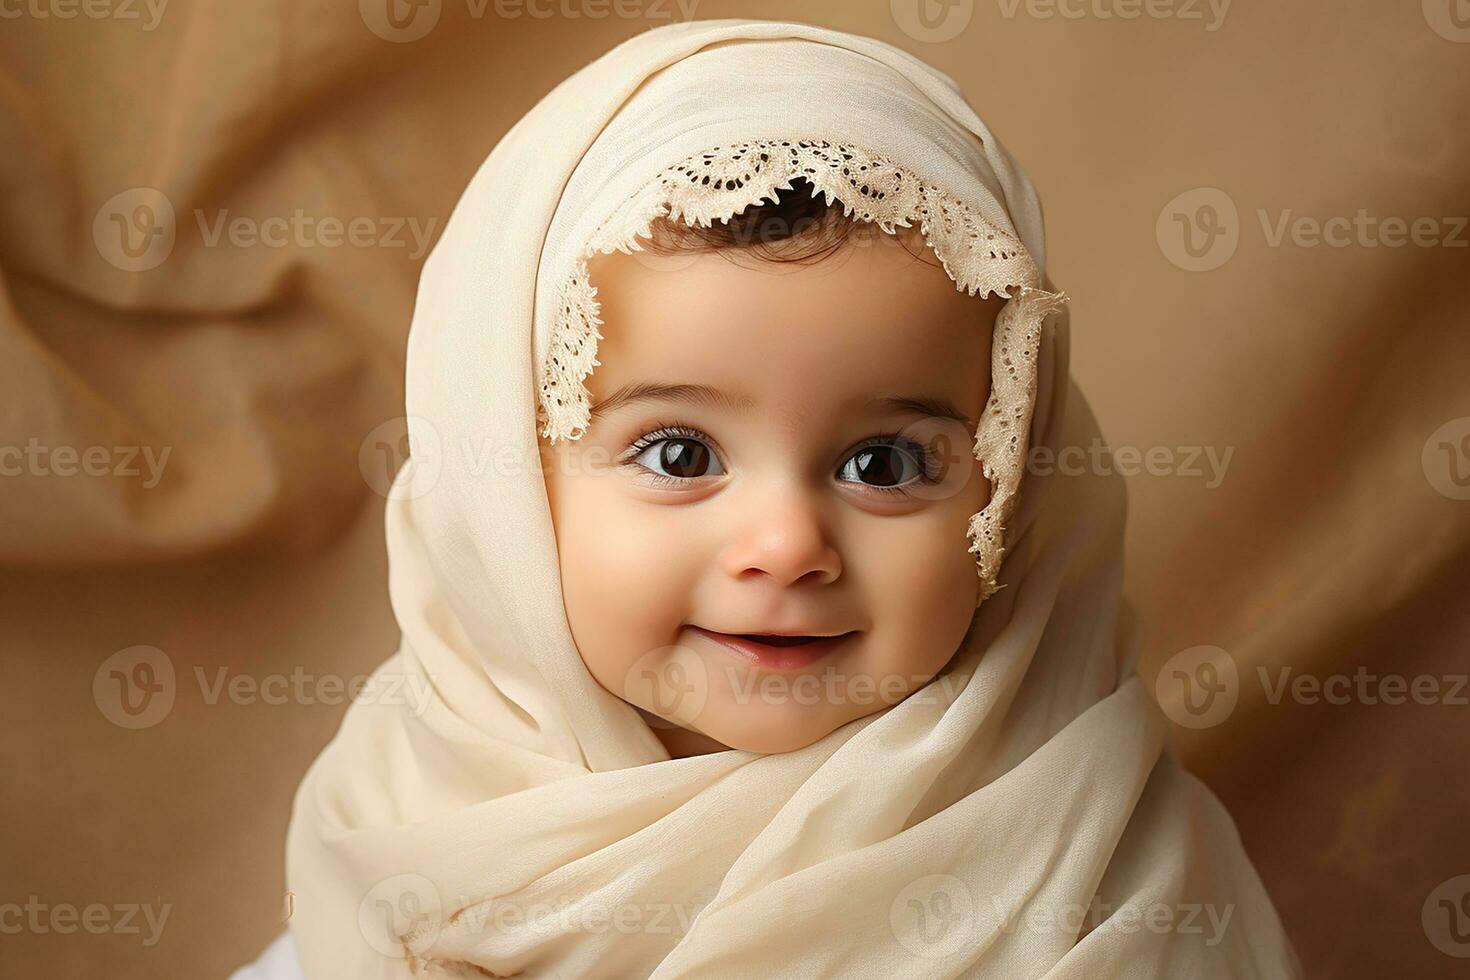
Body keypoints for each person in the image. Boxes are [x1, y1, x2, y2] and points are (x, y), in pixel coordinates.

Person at [233, 18, 1301, 979]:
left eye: (884, 464)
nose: (787, 545)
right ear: (504, 487)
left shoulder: (1105, 874)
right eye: (679, 452)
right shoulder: (408, 827)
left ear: (1014, 483)